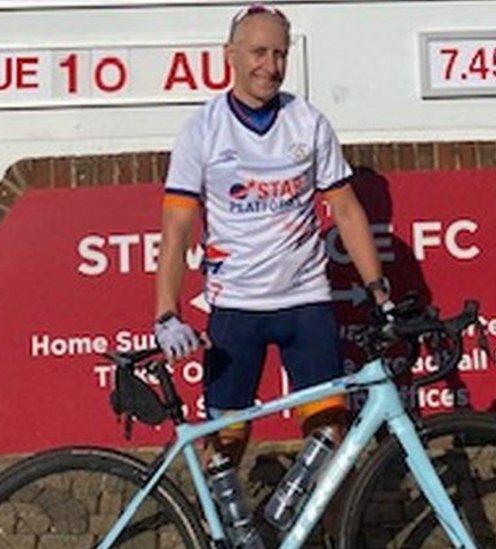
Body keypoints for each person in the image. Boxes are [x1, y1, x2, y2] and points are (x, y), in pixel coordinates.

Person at [153, 3, 390, 467]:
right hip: (236, 306)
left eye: (280, 54)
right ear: (231, 55)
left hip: (306, 304)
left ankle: (329, 535)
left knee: (330, 439)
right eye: (259, 52)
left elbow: (344, 209)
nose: (271, 66)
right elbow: (177, 229)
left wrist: (379, 293)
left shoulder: (308, 122)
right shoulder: (202, 129)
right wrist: (166, 313)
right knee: (224, 443)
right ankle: (219, 534)